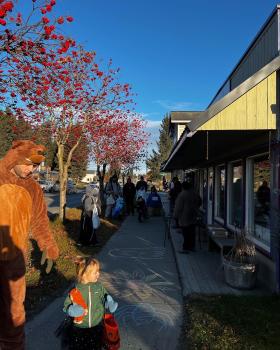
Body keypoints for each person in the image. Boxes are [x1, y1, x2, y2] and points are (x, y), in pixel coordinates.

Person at [0, 140, 59, 350]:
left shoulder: (33, 188)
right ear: (15, 157)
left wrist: (48, 245)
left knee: (15, 310)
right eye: (27, 164)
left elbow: (40, 221)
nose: (30, 169)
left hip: (15, 260)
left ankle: (12, 345)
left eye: (34, 166)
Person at [63, 257, 118, 350]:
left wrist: (109, 303)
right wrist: (72, 310)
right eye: (95, 272)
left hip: (96, 326)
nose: (98, 273)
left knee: (96, 346)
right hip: (80, 328)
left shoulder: (99, 287)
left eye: (98, 271)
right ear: (84, 275)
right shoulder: (76, 290)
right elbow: (66, 306)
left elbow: (105, 297)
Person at [174, 181, 201, 253]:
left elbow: (178, 207)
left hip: (184, 216)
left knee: (185, 232)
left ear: (183, 187)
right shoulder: (194, 194)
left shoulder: (182, 195)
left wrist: (175, 215)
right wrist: (196, 208)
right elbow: (200, 201)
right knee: (192, 232)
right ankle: (192, 246)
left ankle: (185, 248)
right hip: (193, 215)